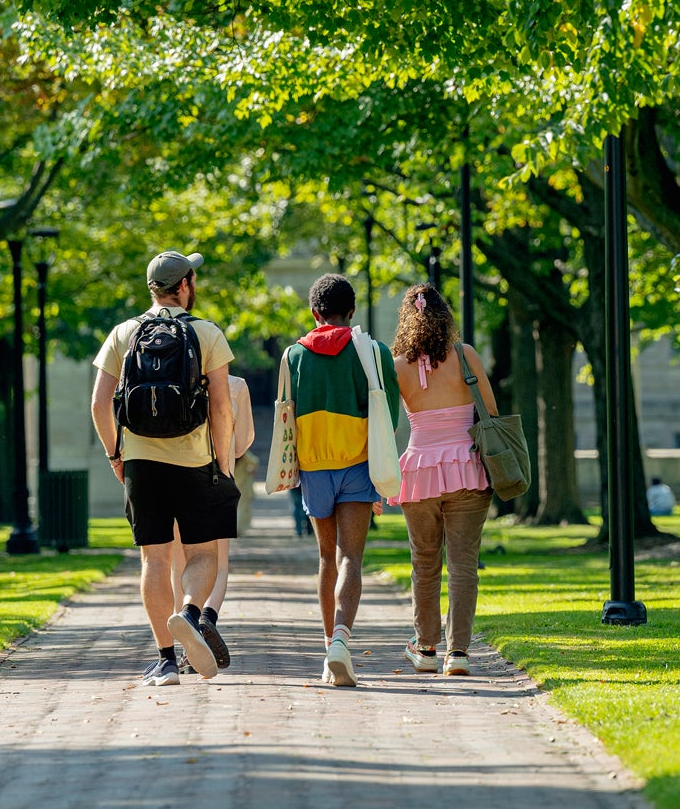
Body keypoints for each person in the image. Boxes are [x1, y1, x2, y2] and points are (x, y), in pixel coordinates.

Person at [92, 251, 239, 687]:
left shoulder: (123, 333)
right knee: (202, 553)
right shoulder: (207, 333)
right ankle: (191, 613)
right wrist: (223, 461)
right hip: (195, 460)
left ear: (152, 287)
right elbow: (221, 408)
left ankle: (166, 661)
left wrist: (115, 454)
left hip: (141, 462)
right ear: (187, 285)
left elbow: (99, 404)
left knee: (153, 560)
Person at [279, 272, 400, 686]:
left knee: (326, 557)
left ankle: (327, 643)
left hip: (314, 467)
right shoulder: (375, 352)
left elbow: (286, 414)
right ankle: (341, 644)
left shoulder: (294, 356)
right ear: (352, 312)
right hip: (360, 464)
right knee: (352, 557)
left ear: (315, 313)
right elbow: (390, 418)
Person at [389, 283, 497, 677]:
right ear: (444, 317)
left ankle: (426, 648)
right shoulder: (466, 356)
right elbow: (492, 409)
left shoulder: (397, 364)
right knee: (464, 564)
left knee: (424, 564)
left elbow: (388, 420)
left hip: (418, 472)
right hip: (466, 466)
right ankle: (460, 653)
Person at [169, 373, 255, 672]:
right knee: (218, 564)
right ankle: (206, 616)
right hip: (218, 480)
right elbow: (243, 442)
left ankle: (184, 644)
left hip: (175, 481)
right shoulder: (235, 385)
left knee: (179, 564)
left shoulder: (173, 380)